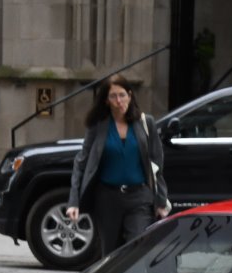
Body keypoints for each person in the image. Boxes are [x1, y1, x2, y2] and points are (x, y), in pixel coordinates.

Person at [66, 75, 171, 259]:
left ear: (130, 95)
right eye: (113, 96)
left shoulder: (146, 123)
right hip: (107, 199)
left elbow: (157, 165)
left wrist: (160, 202)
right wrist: (73, 201)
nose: (119, 101)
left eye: (122, 95)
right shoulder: (97, 126)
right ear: (106, 100)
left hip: (139, 198)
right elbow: (81, 162)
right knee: (111, 257)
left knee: (138, 251)